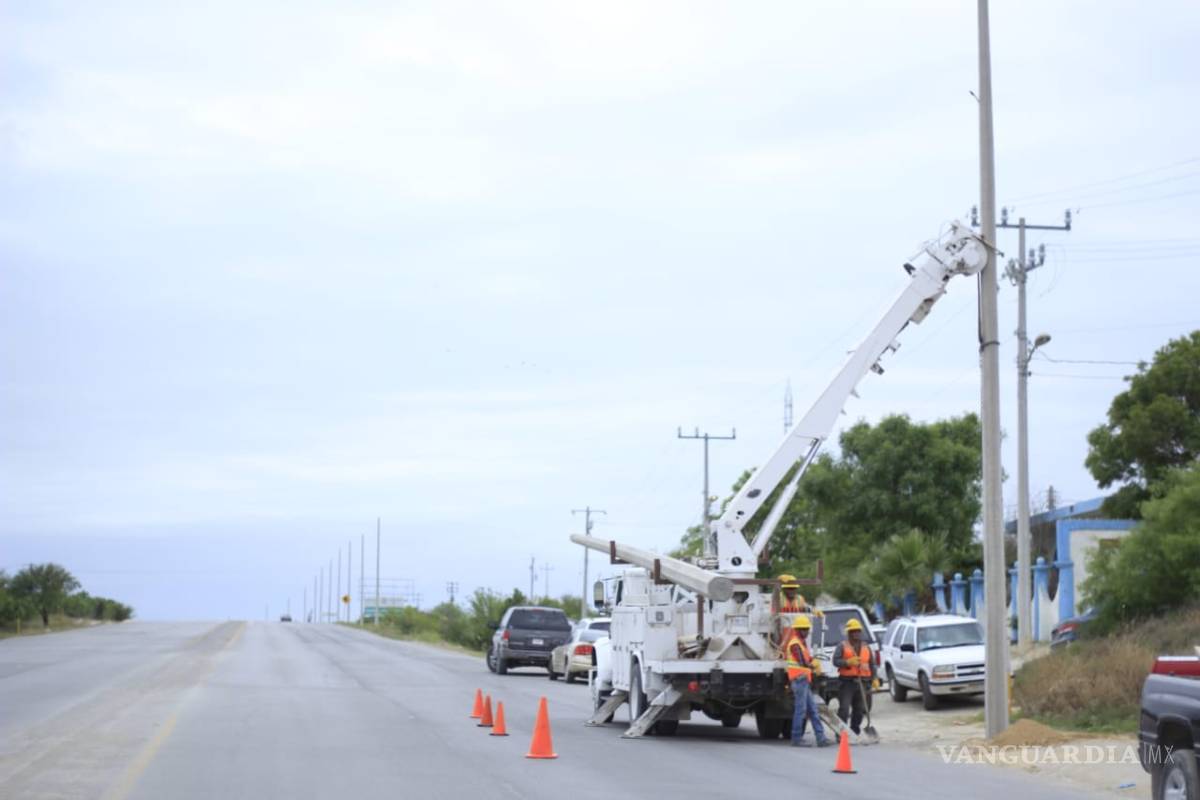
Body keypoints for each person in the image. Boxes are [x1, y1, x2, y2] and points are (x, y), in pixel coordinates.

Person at [784, 615, 831, 748]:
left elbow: (806, 659)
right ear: (797, 630)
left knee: (813, 710)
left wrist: (813, 661)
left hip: (803, 681)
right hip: (799, 681)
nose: (805, 631)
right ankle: (796, 738)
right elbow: (802, 662)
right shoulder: (795, 644)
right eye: (803, 629)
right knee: (801, 710)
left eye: (806, 629)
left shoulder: (801, 643)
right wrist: (813, 665)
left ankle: (821, 738)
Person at [833, 618, 875, 742]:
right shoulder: (842, 646)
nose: (856, 633)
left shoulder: (866, 647)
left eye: (858, 631)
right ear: (849, 633)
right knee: (844, 709)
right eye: (853, 631)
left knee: (859, 710)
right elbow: (835, 661)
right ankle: (841, 734)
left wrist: (874, 678)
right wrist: (847, 662)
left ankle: (854, 732)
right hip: (847, 683)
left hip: (863, 682)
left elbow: (872, 664)